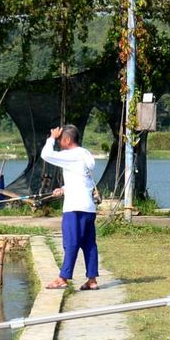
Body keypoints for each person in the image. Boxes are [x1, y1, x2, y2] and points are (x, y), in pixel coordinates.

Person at [40, 123, 100, 290]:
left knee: (71, 243)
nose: (59, 143)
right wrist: (63, 189)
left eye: (60, 140)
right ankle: (92, 280)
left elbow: (46, 155)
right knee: (89, 244)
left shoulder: (71, 155)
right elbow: (82, 180)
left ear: (66, 140)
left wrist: (51, 138)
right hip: (88, 208)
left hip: (75, 209)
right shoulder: (85, 154)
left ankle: (63, 278)